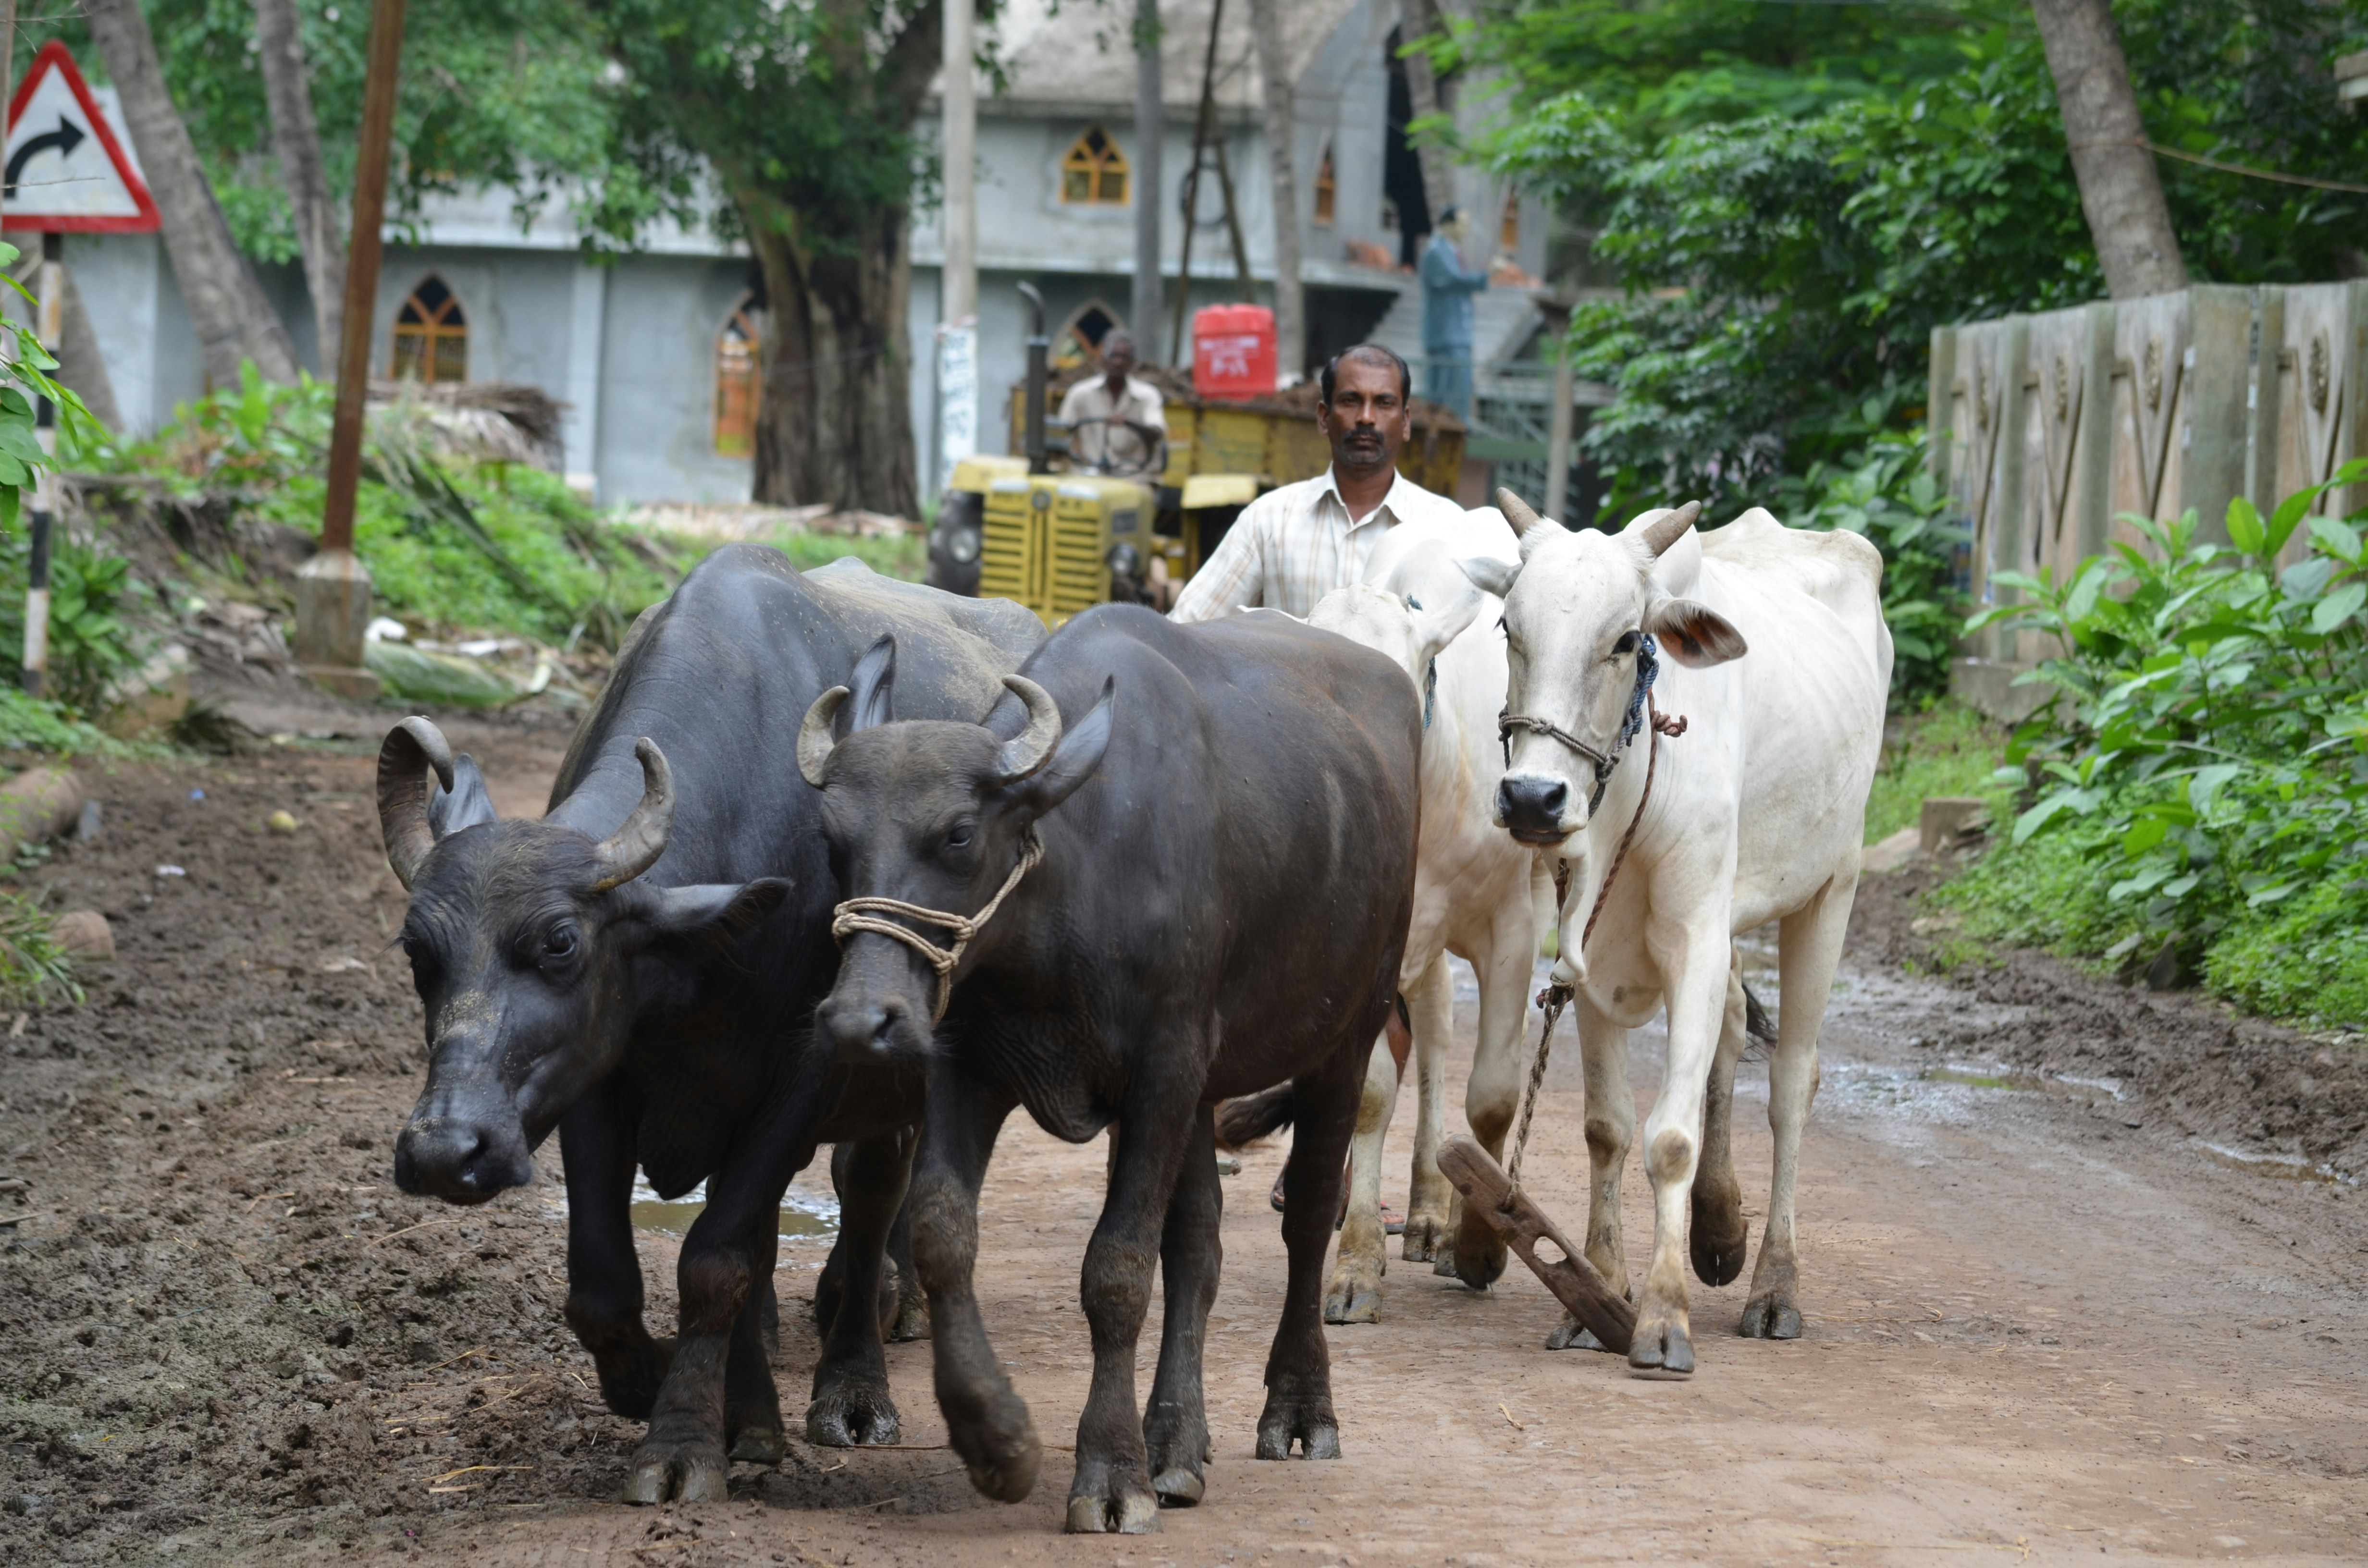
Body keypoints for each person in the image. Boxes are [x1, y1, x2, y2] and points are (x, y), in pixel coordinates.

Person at [1170, 343, 1469, 623]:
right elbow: (1189, 625)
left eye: (1384, 403)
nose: (1366, 418)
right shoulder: (1270, 520)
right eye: (1351, 401)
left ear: (1405, 423)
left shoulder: (1445, 529)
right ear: (1324, 418)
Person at [1057, 330, 1167, 476]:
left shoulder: (1147, 396)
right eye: (1114, 356)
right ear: (1103, 358)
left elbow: (1157, 433)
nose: (1118, 362)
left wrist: (1128, 422)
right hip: (1089, 474)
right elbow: (1061, 431)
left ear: (1133, 362)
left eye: (1125, 357)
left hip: (1134, 476)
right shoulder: (1080, 393)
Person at [1420, 207, 1490, 420]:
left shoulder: (1452, 251)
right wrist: (1486, 276)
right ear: (1448, 225)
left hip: (1458, 334)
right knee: (1442, 395)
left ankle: (1459, 428)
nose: (1466, 230)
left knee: (1460, 392)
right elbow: (1453, 280)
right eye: (1463, 225)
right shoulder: (1435, 252)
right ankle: (1444, 429)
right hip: (1445, 335)